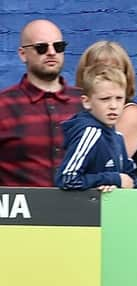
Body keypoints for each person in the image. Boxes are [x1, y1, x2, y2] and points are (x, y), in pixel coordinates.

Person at [0, 19, 83, 187]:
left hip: (80, 210)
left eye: (58, 46)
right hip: (21, 211)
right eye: (41, 48)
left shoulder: (85, 102)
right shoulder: (3, 106)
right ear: (23, 54)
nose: (51, 52)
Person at [76, 41, 137, 188]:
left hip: (128, 201)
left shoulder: (131, 114)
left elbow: (105, 163)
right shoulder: (86, 114)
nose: (108, 76)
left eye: (115, 70)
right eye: (99, 70)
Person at [55, 64, 137, 192]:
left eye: (119, 98)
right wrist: (111, 179)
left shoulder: (118, 137)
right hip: (82, 210)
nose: (113, 105)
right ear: (86, 102)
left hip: (109, 209)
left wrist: (117, 183)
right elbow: (67, 179)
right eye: (105, 99)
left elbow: (129, 178)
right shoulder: (90, 132)